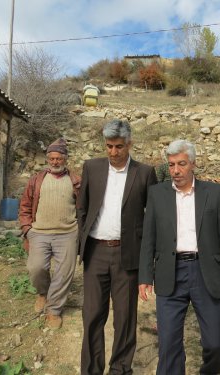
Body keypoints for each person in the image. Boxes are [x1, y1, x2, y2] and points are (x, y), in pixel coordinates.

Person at [139, 139, 220, 375]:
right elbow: (148, 238)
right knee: (169, 343)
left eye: (181, 164)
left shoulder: (213, 192)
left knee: (215, 341)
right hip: (169, 272)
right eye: (172, 164)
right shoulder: (157, 194)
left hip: (206, 272)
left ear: (193, 163)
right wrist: (145, 275)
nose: (176, 170)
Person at [76, 119, 157, 375]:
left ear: (129, 144)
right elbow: (82, 208)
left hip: (128, 256)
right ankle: (91, 370)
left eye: (119, 146)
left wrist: (148, 258)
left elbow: (153, 216)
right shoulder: (92, 167)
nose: (113, 152)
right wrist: (82, 241)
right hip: (95, 253)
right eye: (109, 146)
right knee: (92, 316)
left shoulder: (144, 173)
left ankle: (120, 369)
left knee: (124, 318)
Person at [19, 138, 81, 329]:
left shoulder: (76, 180)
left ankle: (54, 310)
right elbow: (25, 205)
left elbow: (85, 206)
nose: (55, 162)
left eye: (59, 158)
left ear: (65, 159)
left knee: (64, 273)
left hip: (68, 233)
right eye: (52, 158)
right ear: (47, 159)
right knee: (36, 268)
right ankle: (42, 293)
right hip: (39, 232)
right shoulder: (37, 180)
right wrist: (27, 229)